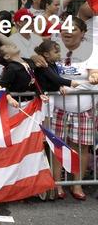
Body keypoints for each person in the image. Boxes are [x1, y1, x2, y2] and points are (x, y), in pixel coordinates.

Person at [50, 17, 98, 201]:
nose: (67, 32)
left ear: (83, 32)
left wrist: (92, 77)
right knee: (58, 147)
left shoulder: (91, 51)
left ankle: (76, 184)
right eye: (64, 28)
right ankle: (57, 184)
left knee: (81, 148)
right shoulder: (53, 49)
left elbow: (94, 74)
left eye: (72, 29)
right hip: (58, 109)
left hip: (83, 109)